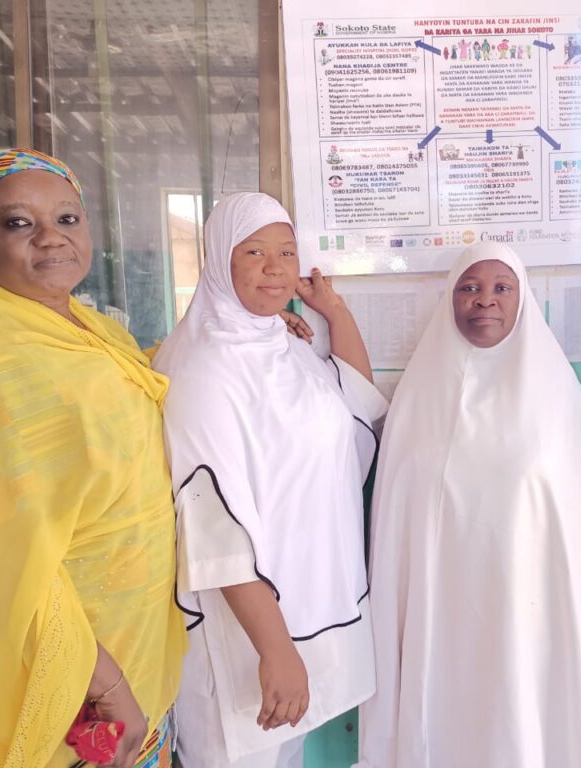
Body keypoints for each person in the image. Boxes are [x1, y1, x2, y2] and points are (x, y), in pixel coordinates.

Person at [0, 148, 186, 768]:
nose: (51, 240)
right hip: (70, 661)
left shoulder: (92, 331)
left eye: (67, 220)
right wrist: (101, 682)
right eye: (18, 223)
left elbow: (129, 389)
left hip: (133, 629)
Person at [358, 242, 581, 767]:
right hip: (440, 611)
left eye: (501, 288)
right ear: (451, 298)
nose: (484, 301)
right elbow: (398, 517)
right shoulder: (418, 396)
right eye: (469, 288)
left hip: (530, 609)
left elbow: (580, 530)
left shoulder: (555, 397)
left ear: (523, 300)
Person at [153, 192, 386, 768]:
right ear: (218, 264)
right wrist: (275, 650)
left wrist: (335, 311)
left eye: (286, 251)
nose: (275, 267)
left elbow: (353, 405)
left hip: (302, 621)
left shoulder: (283, 343)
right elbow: (213, 526)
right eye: (253, 252)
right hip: (248, 641)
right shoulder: (204, 368)